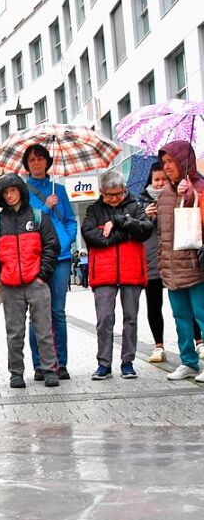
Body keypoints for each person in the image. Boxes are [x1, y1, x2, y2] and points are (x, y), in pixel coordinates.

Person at [0, 173, 61, 389]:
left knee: (44, 329)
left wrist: (43, 274)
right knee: (14, 333)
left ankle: (49, 370)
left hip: (36, 283)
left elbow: (52, 246)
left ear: (21, 191)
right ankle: (16, 373)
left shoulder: (38, 218)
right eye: (5, 192)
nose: (10, 195)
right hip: (10, 286)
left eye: (13, 190)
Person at [81, 171, 153, 380]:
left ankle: (127, 362)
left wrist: (119, 220)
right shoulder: (94, 209)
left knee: (130, 318)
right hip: (103, 272)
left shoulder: (135, 206)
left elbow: (145, 229)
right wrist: (123, 233)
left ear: (124, 190)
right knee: (104, 319)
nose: (114, 198)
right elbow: (90, 236)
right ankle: (104, 363)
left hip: (131, 270)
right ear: (101, 192)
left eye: (118, 194)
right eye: (109, 195)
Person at [22, 143, 77, 380]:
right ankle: (39, 365)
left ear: (47, 161)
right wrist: (46, 206)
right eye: (32, 159)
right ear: (27, 164)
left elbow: (71, 220)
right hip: (35, 257)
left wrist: (66, 241)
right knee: (37, 312)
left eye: (40, 158)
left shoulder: (59, 189)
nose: (36, 163)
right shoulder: (22, 192)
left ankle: (60, 363)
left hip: (61, 257)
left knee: (57, 312)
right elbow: (27, 223)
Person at [151, 140, 204, 383]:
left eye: (171, 161)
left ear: (184, 162)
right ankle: (188, 362)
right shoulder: (163, 196)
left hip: (196, 267)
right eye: (164, 162)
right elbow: (162, 235)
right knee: (180, 316)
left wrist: (192, 196)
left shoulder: (200, 187)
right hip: (172, 269)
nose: (167, 167)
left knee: (202, 315)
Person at [141, 162, 171, 363]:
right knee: (154, 306)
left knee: (185, 306)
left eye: (163, 179)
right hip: (151, 262)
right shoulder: (142, 204)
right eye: (156, 179)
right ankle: (158, 345)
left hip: (174, 261)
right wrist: (146, 217)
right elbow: (135, 231)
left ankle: (198, 341)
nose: (160, 183)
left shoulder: (179, 197)